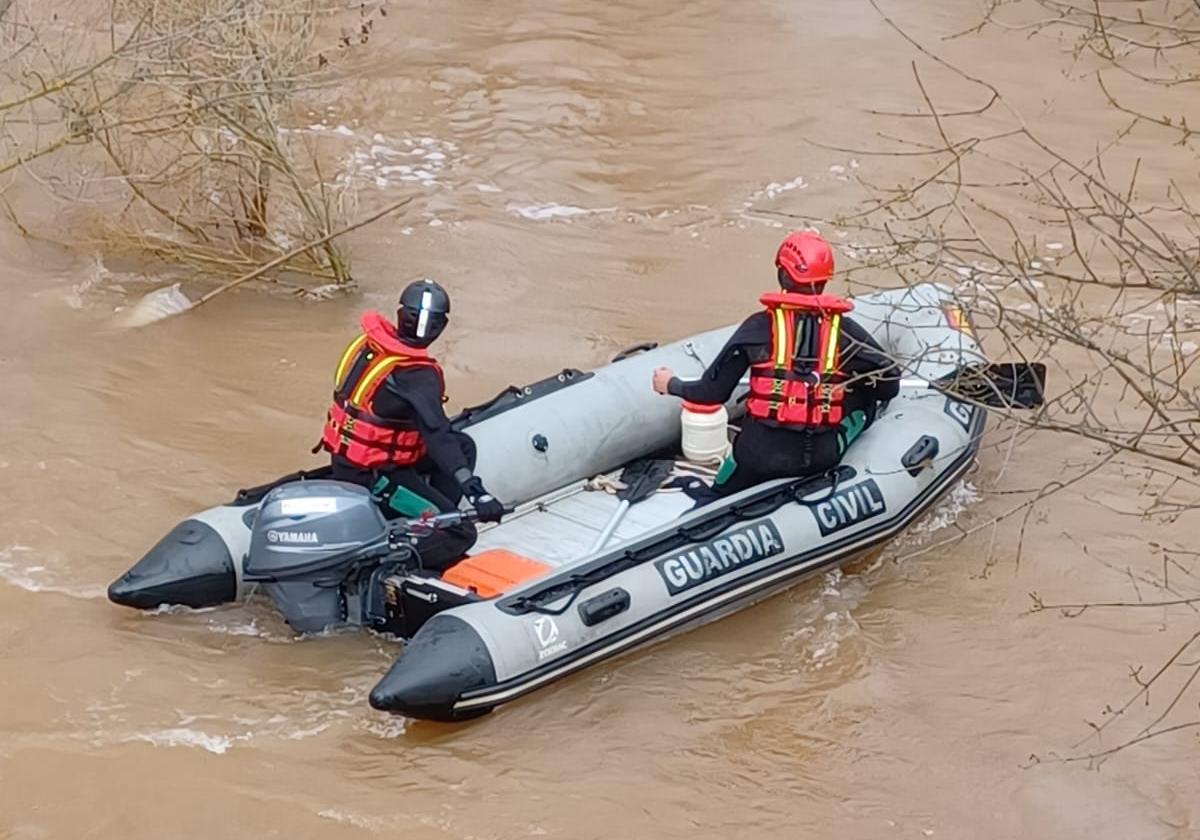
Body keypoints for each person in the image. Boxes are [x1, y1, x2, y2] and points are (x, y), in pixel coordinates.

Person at [652, 231, 900, 497]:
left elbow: (710, 394)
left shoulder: (757, 328)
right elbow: (888, 386)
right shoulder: (845, 333)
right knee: (866, 403)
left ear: (783, 274)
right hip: (817, 459)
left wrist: (671, 384)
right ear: (826, 279)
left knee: (716, 494)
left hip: (756, 459)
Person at [317, 278, 506, 571]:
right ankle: (389, 559)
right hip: (374, 478)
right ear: (439, 327)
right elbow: (437, 434)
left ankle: (433, 519)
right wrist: (476, 491)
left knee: (464, 446)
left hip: (348, 460)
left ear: (400, 314)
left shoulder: (372, 346)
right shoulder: (417, 375)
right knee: (461, 531)